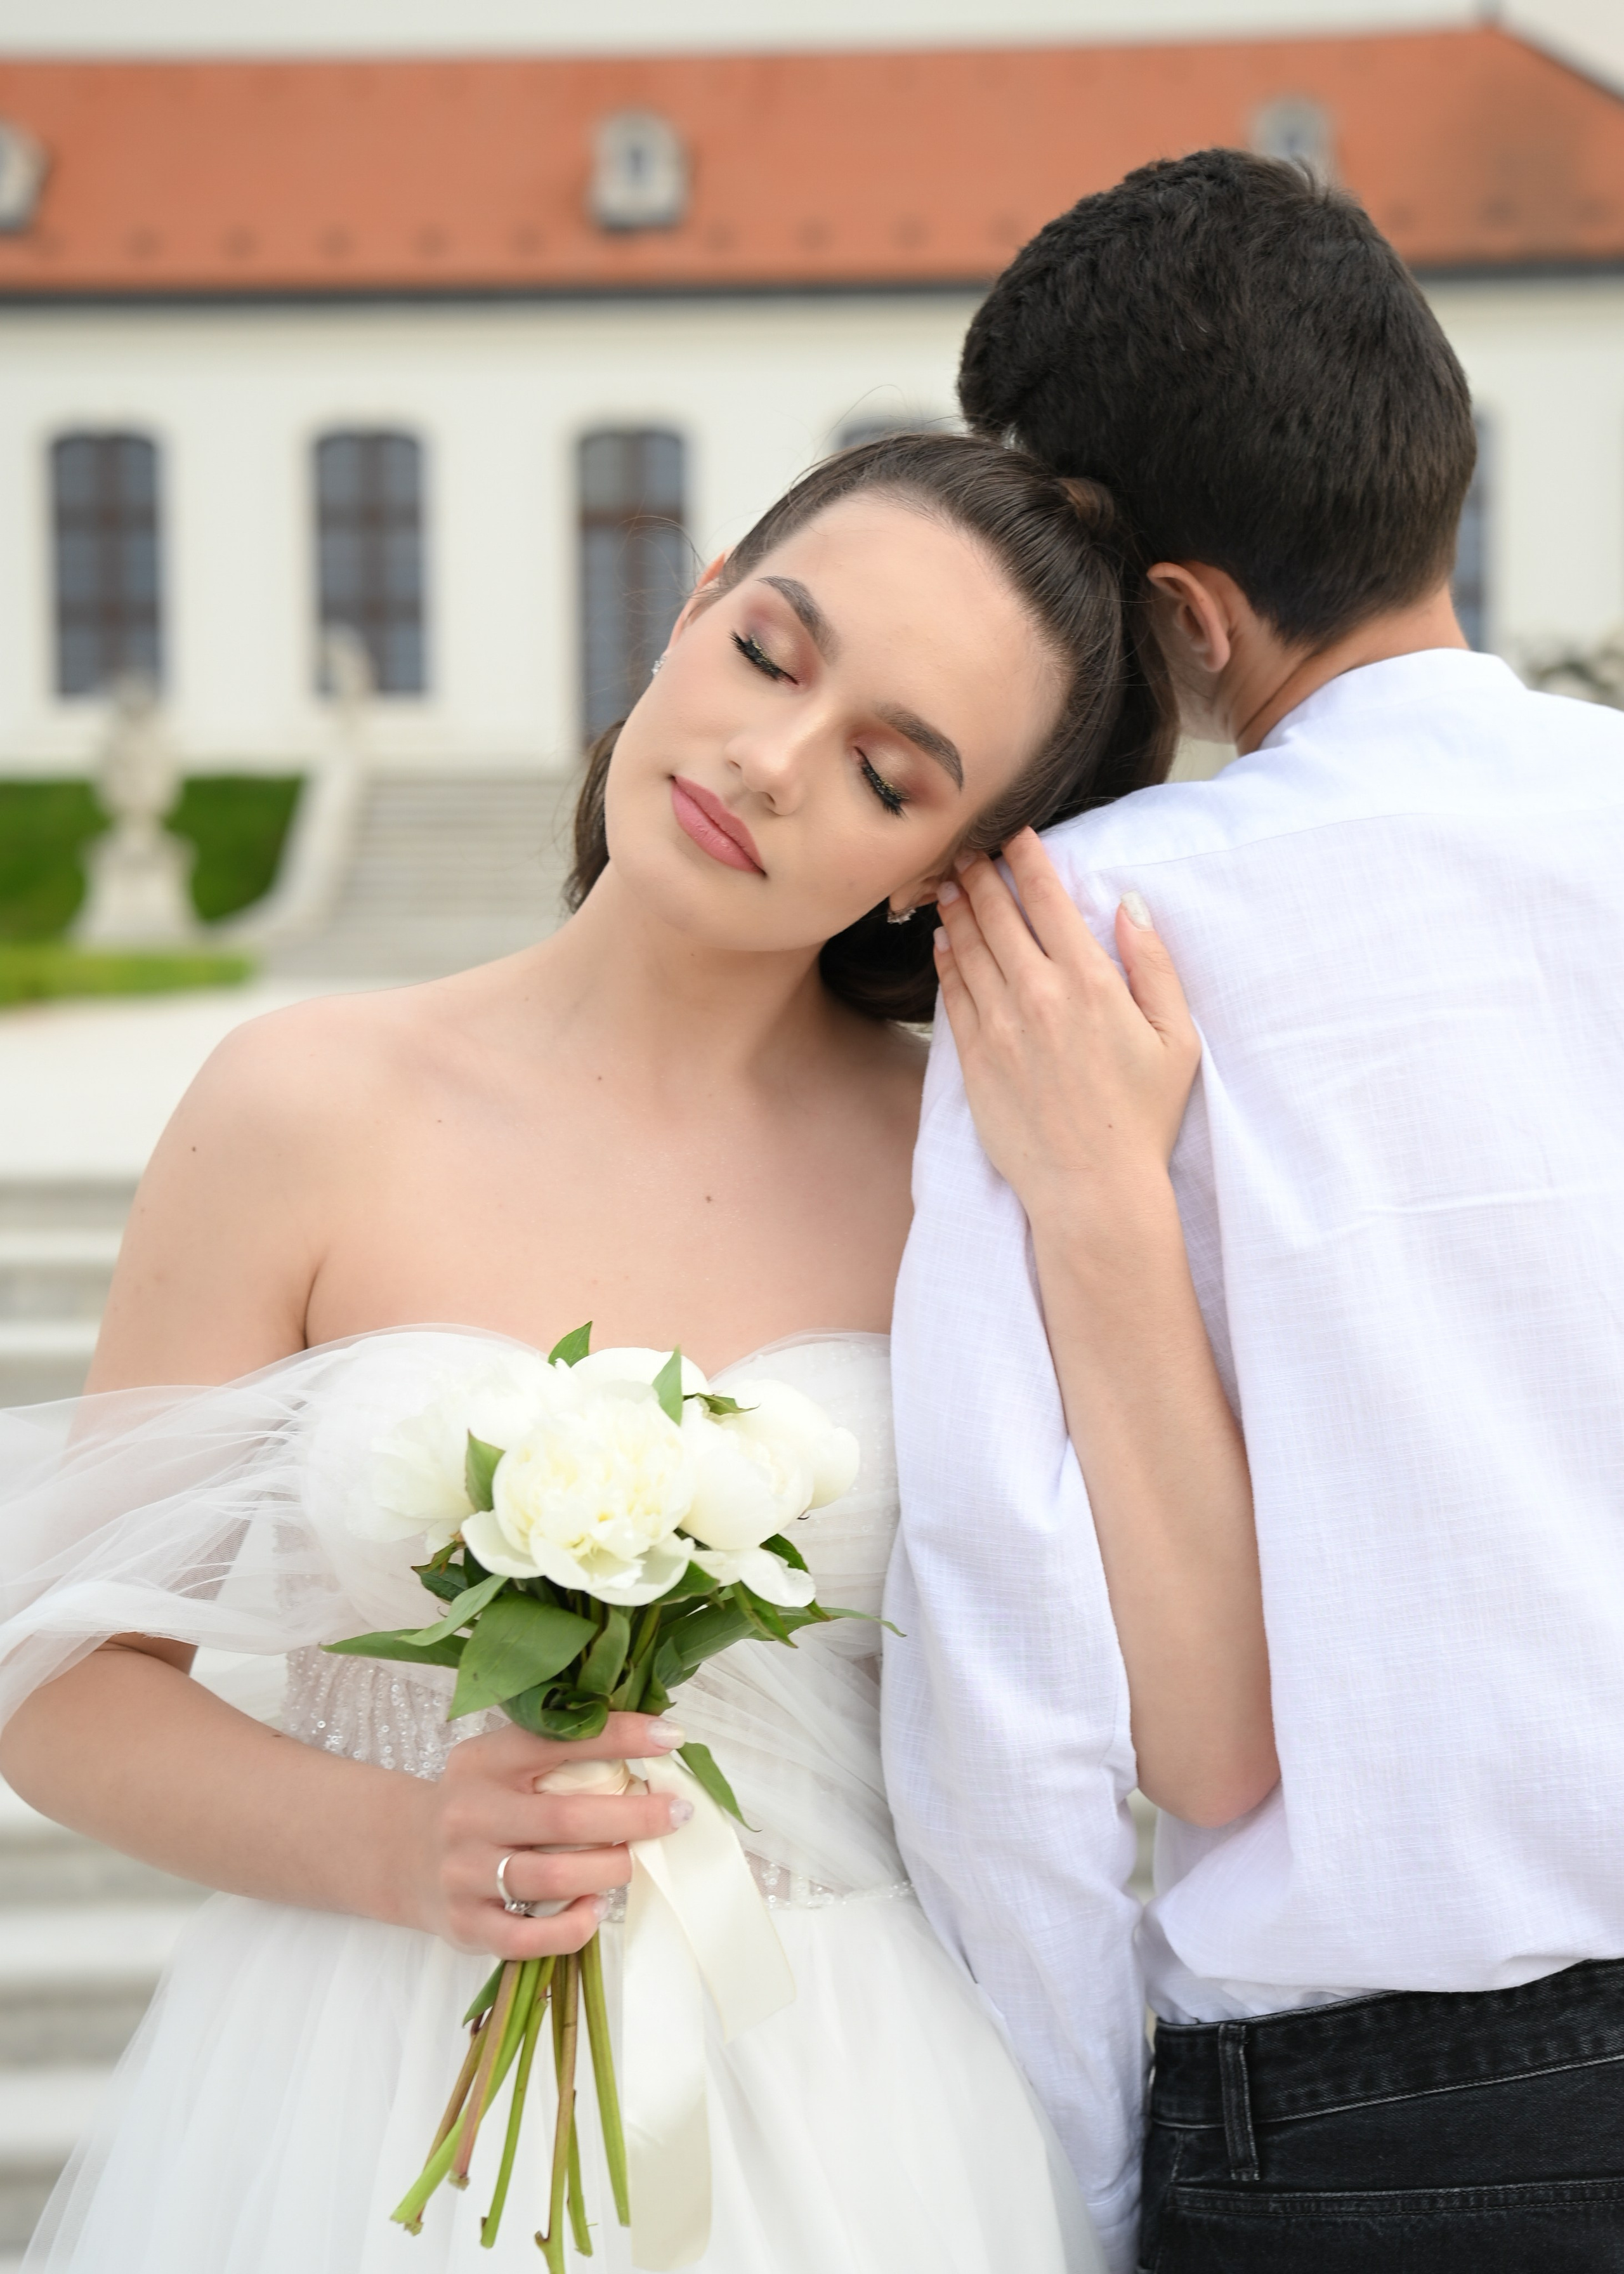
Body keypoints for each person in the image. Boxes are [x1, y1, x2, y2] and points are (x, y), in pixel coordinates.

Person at [0, 432, 1260, 2274]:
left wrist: (1111, 1211)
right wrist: (404, 1838)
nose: (771, 760)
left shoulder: (969, 1185)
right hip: (354, 2079)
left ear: (950, 873)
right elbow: (65, 1692)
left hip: (848, 2111)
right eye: (769, 651)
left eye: (888, 772)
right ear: (688, 611)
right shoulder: (302, 1103)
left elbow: (1208, 1739)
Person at [883, 148, 1624, 2274]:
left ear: (1178, 618)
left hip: (1368, 2125)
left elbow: (1014, 1659)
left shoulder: (1093, 940)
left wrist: (1077, 2192)